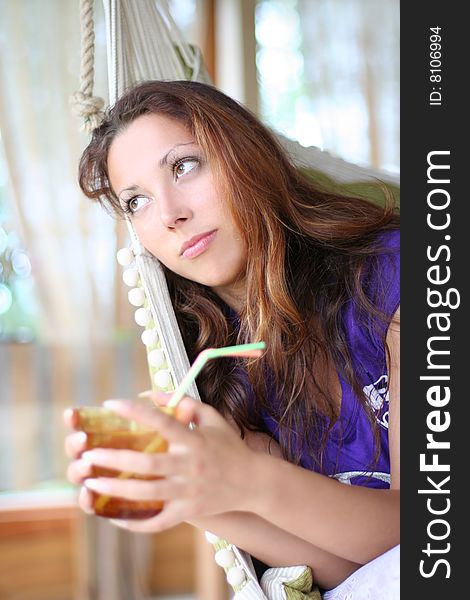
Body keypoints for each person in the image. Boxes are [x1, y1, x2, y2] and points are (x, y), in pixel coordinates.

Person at [64, 80, 400, 595]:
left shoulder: (394, 278)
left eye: (183, 166)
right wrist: (200, 500)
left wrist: (245, 479)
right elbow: (348, 569)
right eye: (137, 201)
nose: (170, 214)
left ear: (244, 155)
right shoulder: (222, 377)